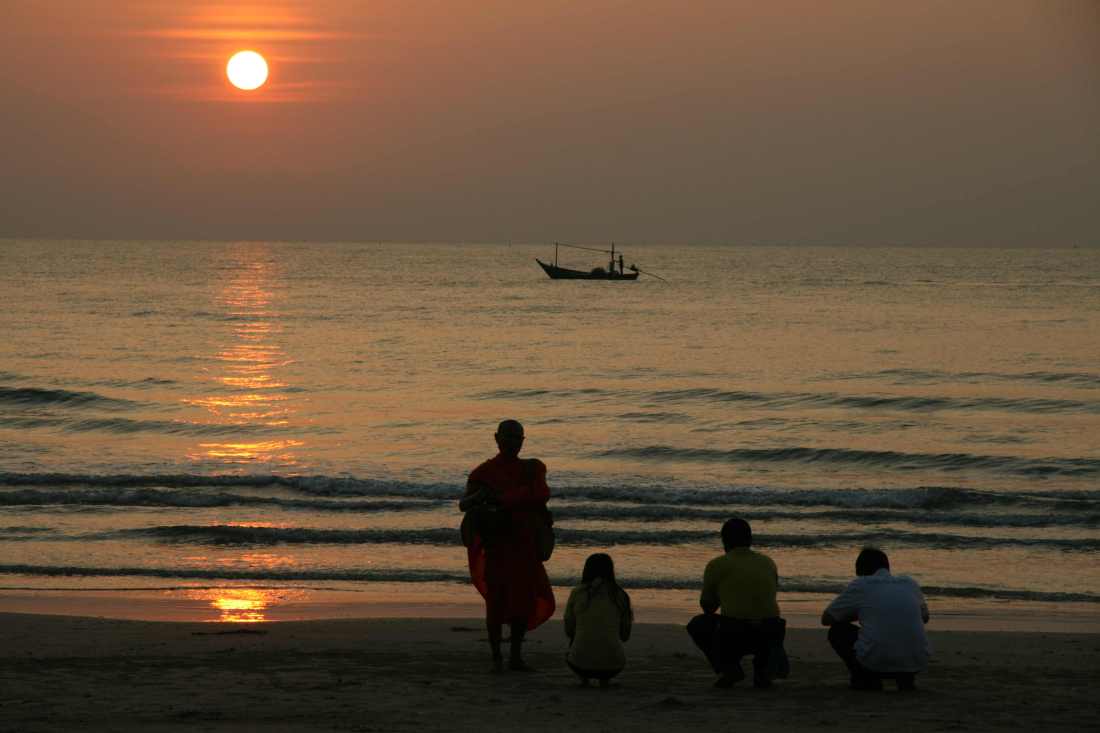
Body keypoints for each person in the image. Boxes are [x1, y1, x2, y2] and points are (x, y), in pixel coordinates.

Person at [461, 419, 555, 672]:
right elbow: (465, 504)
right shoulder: (483, 473)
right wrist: (482, 497)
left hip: (525, 544)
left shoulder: (533, 468)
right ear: (496, 438)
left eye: (517, 438)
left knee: (523, 601)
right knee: (497, 601)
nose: (513, 442)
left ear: (523, 441)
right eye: (508, 437)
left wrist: (501, 498)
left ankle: (515, 655)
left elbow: (541, 494)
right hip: (498, 545)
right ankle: (496, 658)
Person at [686, 517, 788, 689]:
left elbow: (708, 607)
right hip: (771, 631)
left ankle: (730, 669)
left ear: (724, 541)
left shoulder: (717, 565)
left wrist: (723, 594)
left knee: (699, 624)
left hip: (736, 633)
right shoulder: (768, 562)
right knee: (757, 623)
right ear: (750, 539)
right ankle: (763, 668)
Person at [821, 547, 930, 691]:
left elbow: (827, 618)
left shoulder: (862, 584)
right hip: (916, 662)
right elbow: (925, 617)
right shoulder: (909, 583)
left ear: (862, 571)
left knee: (838, 631)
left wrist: (860, 613)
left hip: (876, 662)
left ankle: (864, 679)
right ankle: (906, 679)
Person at [564, 553, 633, 688]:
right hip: (614, 665)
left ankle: (584, 679)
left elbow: (569, 630)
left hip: (579, 664)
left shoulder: (577, 593)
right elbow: (625, 636)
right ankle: (605, 680)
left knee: (576, 637)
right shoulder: (620, 595)